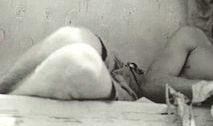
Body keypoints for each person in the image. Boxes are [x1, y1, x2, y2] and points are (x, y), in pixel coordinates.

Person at [0, 26, 144, 101]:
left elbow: (155, 89)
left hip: (135, 95)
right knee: (69, 36)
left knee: (80, 62)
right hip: (127, 71)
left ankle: (7, 110)